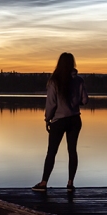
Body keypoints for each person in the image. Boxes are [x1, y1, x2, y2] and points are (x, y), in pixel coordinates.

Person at [33, 52, 88, 193]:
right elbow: (84, 100)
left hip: (59, 121)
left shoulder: (54, 81)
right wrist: (74, 102)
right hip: (75, 120)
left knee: (52, 151)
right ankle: (70, 183)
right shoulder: (79, 80)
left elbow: (51, 104)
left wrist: (47, 119)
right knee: (72, 151)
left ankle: (43, 183)